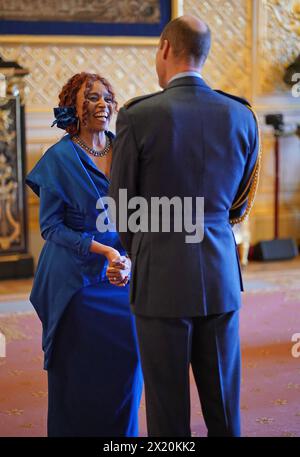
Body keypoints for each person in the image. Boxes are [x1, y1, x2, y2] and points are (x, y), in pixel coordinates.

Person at [109, 16, 260, 437]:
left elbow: (123, 208)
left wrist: (152, 246)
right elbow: (239, 203)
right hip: (219, 273)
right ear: (204, 53)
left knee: (167, 414)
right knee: (225, 411)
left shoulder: (139, 116)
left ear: (164, 48)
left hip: (160, 280)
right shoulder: (241, 115)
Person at [26, 72, 143, 437]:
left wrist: (127, 259)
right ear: (73, 106)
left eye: (107, 97)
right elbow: (51, 228)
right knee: (77, 376)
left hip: (121, 278)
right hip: (75, 283)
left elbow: (139, 212)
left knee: (127, 366)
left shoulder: (125, 148)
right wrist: (104, 250)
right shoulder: (59, 157)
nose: (102, 104)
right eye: (92, 97)